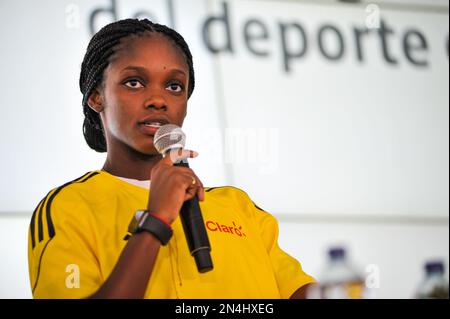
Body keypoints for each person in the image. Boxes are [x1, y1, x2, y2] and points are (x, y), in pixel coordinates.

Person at [27, 18, 315, 299]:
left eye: (174, 86)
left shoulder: (239, 208)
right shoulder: (69, 207)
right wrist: (155, 221)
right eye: (134, 82)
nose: (158, 99)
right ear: (96, 97)